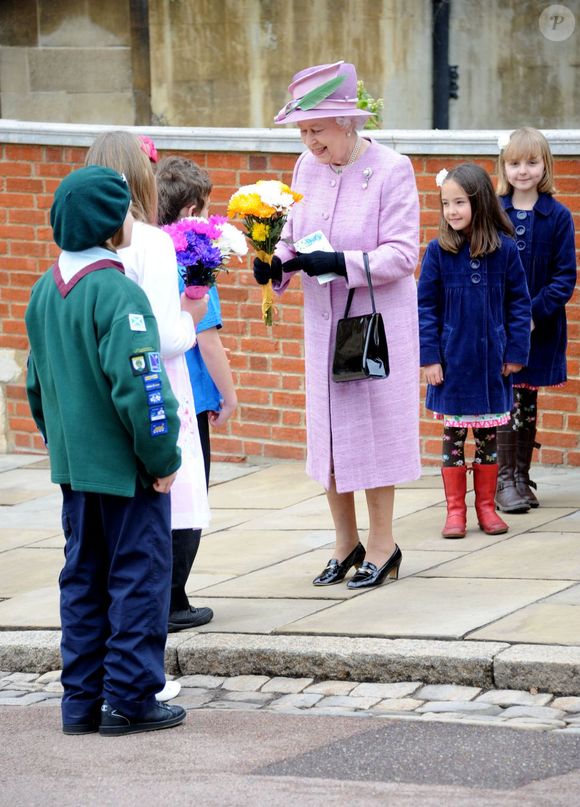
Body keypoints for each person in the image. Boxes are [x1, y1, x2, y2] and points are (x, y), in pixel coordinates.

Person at [25, 165, 187, 735]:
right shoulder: (118, 291)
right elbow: (143, 387)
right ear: (110, 222)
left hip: (76, 473)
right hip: (127, 472)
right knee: (138, 581)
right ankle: (130, 699)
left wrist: (61, 445)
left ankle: (81, 703)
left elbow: (35, 385)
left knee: (83, 583)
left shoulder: (45, 289)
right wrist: (162, 459)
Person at [253, 61, 421, 589]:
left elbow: (403, 254)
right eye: (302, 131)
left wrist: (342, 264)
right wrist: (275, 262)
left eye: (316, 130)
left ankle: (383, 544)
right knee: (327, 433)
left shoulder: (393, 169)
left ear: (347, 123)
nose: (308, 141)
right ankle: (345, 543)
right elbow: (295, 236)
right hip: (323, 324)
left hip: (372, 326)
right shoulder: (305, 169)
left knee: (373, 432)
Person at [85, 132, 214, 636]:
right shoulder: (153, 242)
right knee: (162, 507)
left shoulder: (81, 242)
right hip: (153, 382)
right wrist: (192, 315)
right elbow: (161, 338)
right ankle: (146, 648)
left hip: (100, 389)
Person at [418, 163, 532, 539]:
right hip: (451, 365)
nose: (452, 211)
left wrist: (515, 350)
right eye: (446, 203)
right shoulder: (437, 252)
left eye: (459, 203)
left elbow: (519, 304)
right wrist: (430, 357)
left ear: (479, 202)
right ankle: (455, 511)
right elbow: (425, 308)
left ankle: (486, 507)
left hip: (492, 366)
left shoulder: (506, 251)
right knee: (453, 439)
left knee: (487, 440)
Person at [156, 156, 238, 583]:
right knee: (191, 497)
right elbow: (208, 339)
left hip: (157, 396)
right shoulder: (196, 262)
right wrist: (230, 395)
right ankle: (175, 598)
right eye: (205, 208)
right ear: (191, 212)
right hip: (192, 396)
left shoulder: (148, 255)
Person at [495, 128, 577, 512]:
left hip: (539, 329)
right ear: (504, 166)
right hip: (500, 326)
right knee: (506, 396)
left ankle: (520, 476)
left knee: (527, 397)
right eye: (514, 163)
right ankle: (503, 480)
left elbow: (565, 277)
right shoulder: (495, 212)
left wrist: (532, 314)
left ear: (545, 165)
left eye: (531, 162)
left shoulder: (557, 216)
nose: (522, 171)